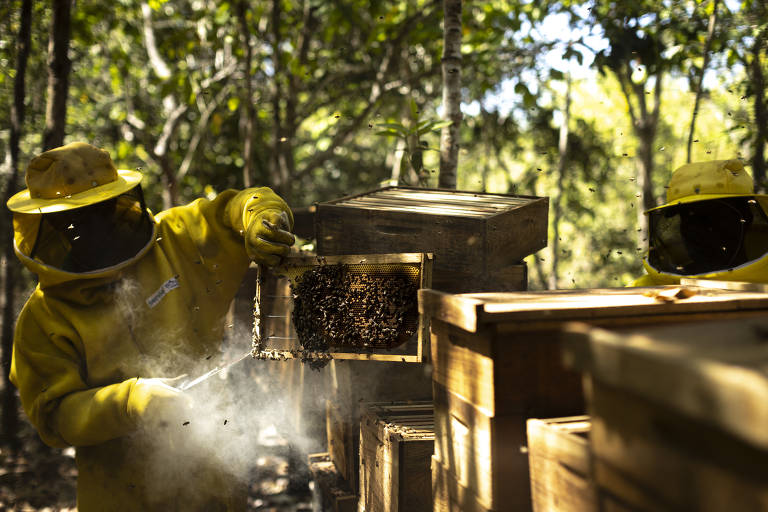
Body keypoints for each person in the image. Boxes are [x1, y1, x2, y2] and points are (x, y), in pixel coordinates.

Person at [7, 142, 295, 511]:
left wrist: (261, 215)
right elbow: (53, 416)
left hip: (211, 469)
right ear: (47, 225)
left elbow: (231, 210)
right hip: (122, 492)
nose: (91, 227)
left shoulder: (173, 238)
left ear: (119, 202)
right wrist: (130, 403)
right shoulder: (42, 318)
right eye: (74, 219)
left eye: (101, 210)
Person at [633, 159, 768, 286]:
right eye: (686, 217)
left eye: (710, 216)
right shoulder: (640, 290)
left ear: (747, 216)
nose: (695, 229)